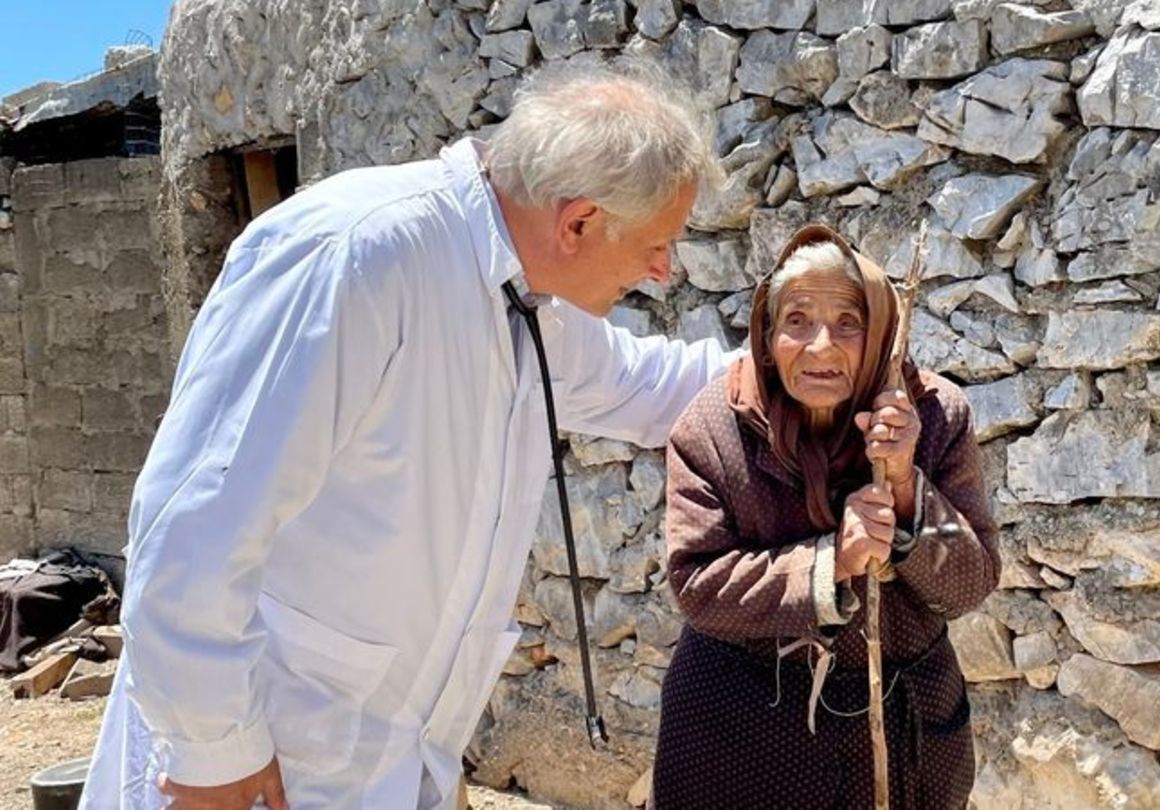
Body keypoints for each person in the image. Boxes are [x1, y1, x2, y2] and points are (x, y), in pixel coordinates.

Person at [80, 59, 736, 810]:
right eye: (656, 244)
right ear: (579, 221)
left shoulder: (526, 296)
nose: (663, 270)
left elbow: (651, 384)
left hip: (380, 763)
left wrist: (825, 368)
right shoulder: (357, 253)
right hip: (258, 769)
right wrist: (210, 749)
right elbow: (196, 519)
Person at [651, 224, 1001, 808]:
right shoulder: (712, 430)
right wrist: (830, 561)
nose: (820, 347)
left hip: (901, 727)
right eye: (796, 321)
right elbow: (697, 585)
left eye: (849, 323)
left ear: (883, 334)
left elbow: (970, 583)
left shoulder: (934, 418)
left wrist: (909, 488)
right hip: (739, 731)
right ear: (766, 336)